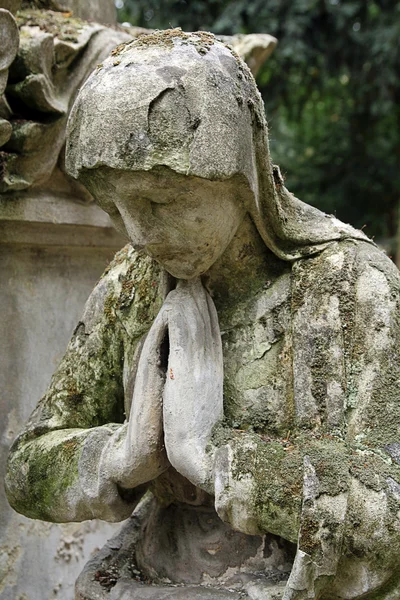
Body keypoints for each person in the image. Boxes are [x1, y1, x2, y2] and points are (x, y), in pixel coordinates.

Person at [6, 30, 400, 600]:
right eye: (116, 207)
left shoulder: (351, 290)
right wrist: (122, 455)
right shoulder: (135, 285)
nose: (140, 234)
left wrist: (214, 456)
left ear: (240, 178)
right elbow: (27, 465)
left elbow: (388, 509)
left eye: (162, 203)